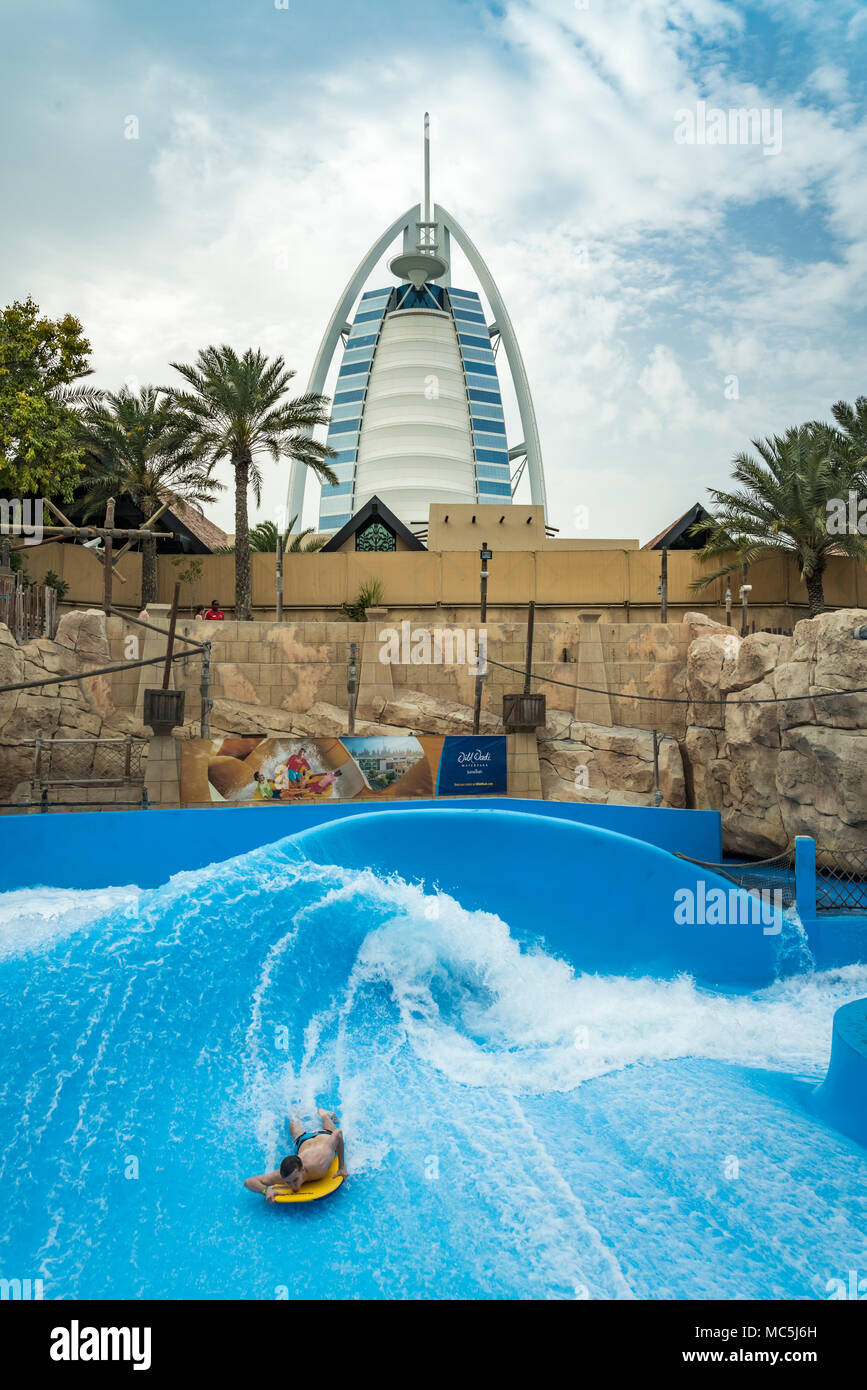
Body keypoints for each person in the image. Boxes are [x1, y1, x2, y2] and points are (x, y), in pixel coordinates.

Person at [244, 1109, 347, 1200]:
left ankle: (324, 1114)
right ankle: (294, 1113)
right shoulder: (283, 1175)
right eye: (288, 1182)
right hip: (303, 1140)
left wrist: (342, 1166)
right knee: (295, 1128)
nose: (292, 1187)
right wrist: (266, 1191)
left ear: (302, 1169)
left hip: (323, 1136)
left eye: (295, 1180)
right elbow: (248, 1182)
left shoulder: (319, 1163)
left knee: (329, 1129)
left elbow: (338, 1133)